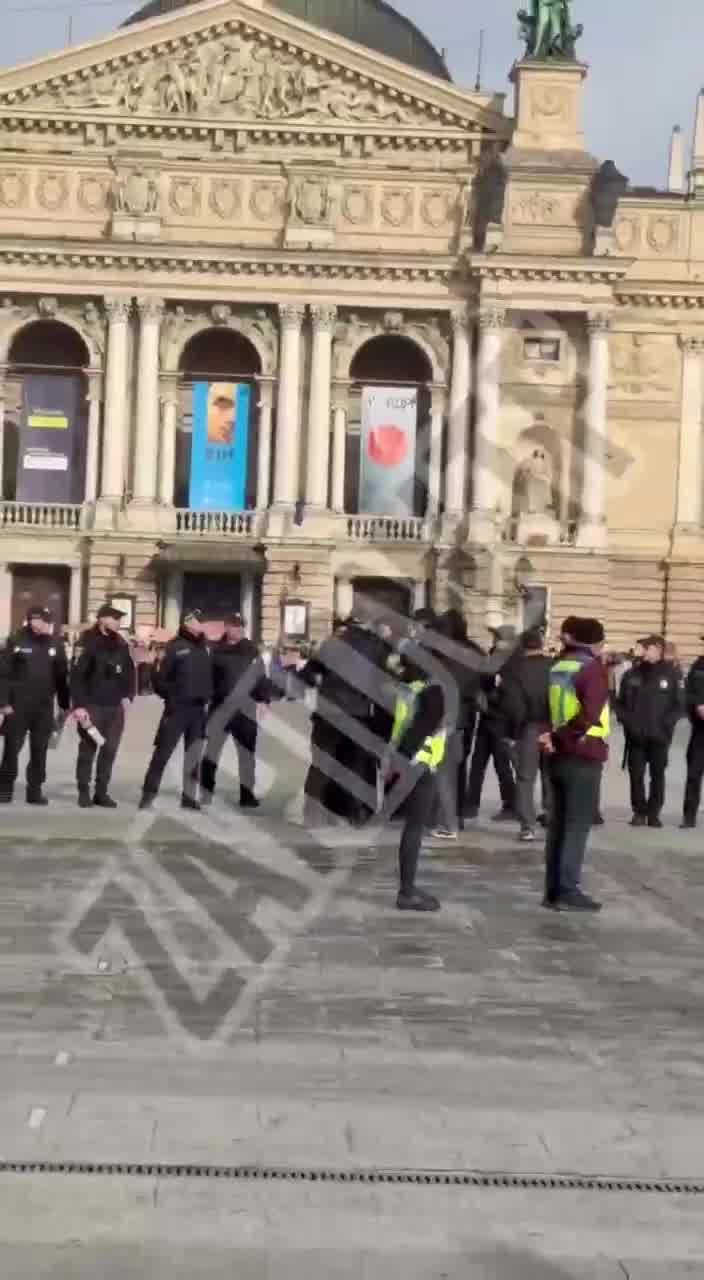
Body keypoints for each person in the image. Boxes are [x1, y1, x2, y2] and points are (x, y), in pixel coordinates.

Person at [542, 617, 610, 912]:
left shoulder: (559, 666)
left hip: (556, 754)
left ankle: (553, 891)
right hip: (582, 753)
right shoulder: (592, 669)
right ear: (594, 643)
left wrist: (551, 737)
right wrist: (563, 737)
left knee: (557, 825)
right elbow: (590, 715)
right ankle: (569, 890)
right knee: (576, 825)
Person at [300, 617, 388, 826]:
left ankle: (312, 814)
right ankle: (356, 813)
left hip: (328, 712)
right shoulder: (376, 646)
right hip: (359, 713)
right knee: (355, 765)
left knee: (321, 764)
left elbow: (309, 673)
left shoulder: (332, 643)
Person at [387, 652, 446, 911]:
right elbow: (418, 730)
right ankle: (407, 891)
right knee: (414, 828)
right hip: (421, 763)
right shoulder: (433, 692)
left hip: (406, 760)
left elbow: (400, 726)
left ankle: (408, 887)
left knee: (413, 827)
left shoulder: (407, 689)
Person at [139, 608, 213, 811]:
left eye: (202, 622)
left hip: (198, 711)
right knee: (162, 753)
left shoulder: (205, 648)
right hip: (177, 709)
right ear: (188, 623)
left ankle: (189, 797)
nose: (202, 625)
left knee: (193, 756)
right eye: (198, 622)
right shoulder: (174, 647)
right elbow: (159, 679)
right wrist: (171, 697)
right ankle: (148, 794)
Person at [0, 606, 70, 806]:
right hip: (18, 705)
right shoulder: (16, 640)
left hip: (44, 706)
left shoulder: (56, 643)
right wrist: (3, 703)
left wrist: (65, 704)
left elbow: (61, 676)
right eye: (33, 620)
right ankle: (4, 788)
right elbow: (3, 674)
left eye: (42, 621)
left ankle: (35, 790)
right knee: (12, 748)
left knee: (39, 750)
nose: (37, 624)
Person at [201, 612, 270, 808]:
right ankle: (206, 792)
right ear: (226, 627)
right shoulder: (215, 650)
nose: (238, 629)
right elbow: (207, 678)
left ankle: (247, 795)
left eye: (241, 626)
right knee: (211, 753)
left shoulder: (251, 650)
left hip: (245, 710)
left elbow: (261, 677)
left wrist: (264, 700)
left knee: (247, 755)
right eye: (234, 626)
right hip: (220, 709)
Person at [71, 604, 135, 808]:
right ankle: (83, 791)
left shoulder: (120, 643)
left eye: (119, 619)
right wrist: (79, 706)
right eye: (115, 618)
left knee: (110, 750)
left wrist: (128, 696)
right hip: (92, 706)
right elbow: (76, 676)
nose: (118, 622)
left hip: (115, 708)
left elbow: (129, 671)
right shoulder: (86, 641)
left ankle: (101, 792)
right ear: (102, 619)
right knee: (88, 749)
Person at [616, 634, 681, 828]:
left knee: (657, 776)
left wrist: (665, 726)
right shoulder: (631, 674)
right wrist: (628, 723)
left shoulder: (671, 675)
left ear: (657, 650)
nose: (642, 650)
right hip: (636, 737)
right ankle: (639, 812)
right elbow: (620, 705)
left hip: (659, 736)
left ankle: (654, 813)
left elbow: (678, 706)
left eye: (646, 647)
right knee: (636, 776)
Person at [430, 609, 483, 838]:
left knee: (442, 771)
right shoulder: (471, 653)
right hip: (462, 717)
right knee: (454, 769)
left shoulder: (442, 658)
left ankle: (447, 822)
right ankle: (452, 817)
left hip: (442, 719)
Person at [499, 627, 552, 842]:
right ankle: (551, 815)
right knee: (551, 775)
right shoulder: (554, 666)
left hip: (526, 728)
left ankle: (527, 825)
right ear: (540, 644)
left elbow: (512, 703)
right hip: (551, 726)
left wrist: (514, 730)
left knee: (525, 778)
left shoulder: (513, 669)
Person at [465, 625, 518, 821]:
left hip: (501, 718)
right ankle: (471, 803)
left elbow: (508, 690)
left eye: (497, 637)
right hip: (488, 716)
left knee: (501, 764)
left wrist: (490, 694)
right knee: (478, 762)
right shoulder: (493, 655)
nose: (494, 639)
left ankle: (510, 804)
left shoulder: (511, 661)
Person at [681, 636, 704, 829]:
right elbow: (687, 694)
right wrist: (696, 706)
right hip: (700, 731)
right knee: (694, 773)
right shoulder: (698, 666)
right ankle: (689, 816)